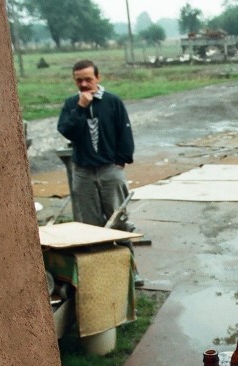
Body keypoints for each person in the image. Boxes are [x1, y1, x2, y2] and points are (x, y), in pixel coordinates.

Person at [57, 59, 147, 285]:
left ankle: (131, 271)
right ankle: (101, 273)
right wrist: (81, 108)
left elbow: (124, 132)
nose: (84, 84)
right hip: (84, 172)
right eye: (79, 80)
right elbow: (67, 131)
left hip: (110, 170)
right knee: (90, 225)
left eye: (88, 79)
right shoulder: (71, 104)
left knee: (118, 220)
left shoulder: (112, 102)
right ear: (74, 81)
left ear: (98, 78)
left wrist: (121, 161)